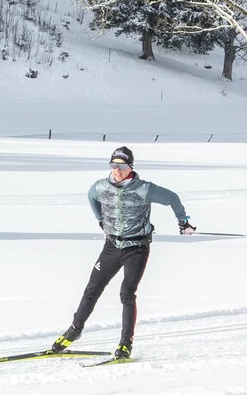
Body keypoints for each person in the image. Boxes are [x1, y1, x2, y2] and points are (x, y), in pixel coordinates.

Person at [49, 146, 193, 361]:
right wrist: (101, 221)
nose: (117, 170)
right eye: (114, 165)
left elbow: (172, 198)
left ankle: (125, 343)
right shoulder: (100, 187)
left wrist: (183, 222)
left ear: (130, 167)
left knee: (127, 293)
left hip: (136, 248)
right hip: (112, 246)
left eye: (122, 166)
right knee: (92, 289)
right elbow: (91, 198)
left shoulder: (144, 189)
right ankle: (74, 330)